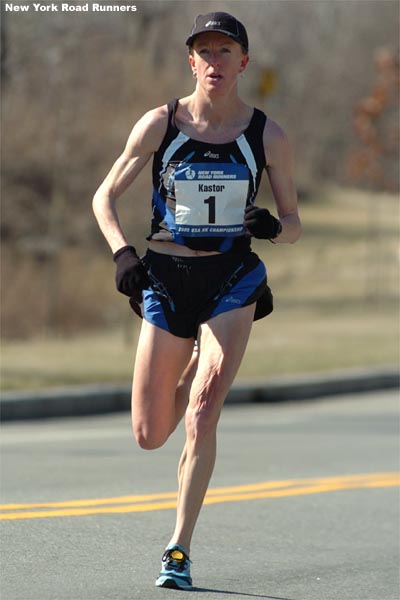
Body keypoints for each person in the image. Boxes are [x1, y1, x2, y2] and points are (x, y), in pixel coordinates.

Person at [93, 11, 301, 590]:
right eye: (204, 52)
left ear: (243, 62)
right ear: (192, 62)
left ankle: (178, 548)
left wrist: (269, 226)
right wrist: (121, 254)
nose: (214, 61)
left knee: (204, 411)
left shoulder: (268, 135)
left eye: (225, 51)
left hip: (232, 279)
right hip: (163, 276)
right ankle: (188, 358)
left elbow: (294, 224)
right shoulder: (160, 123)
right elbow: (103, 197)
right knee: (150, 432)